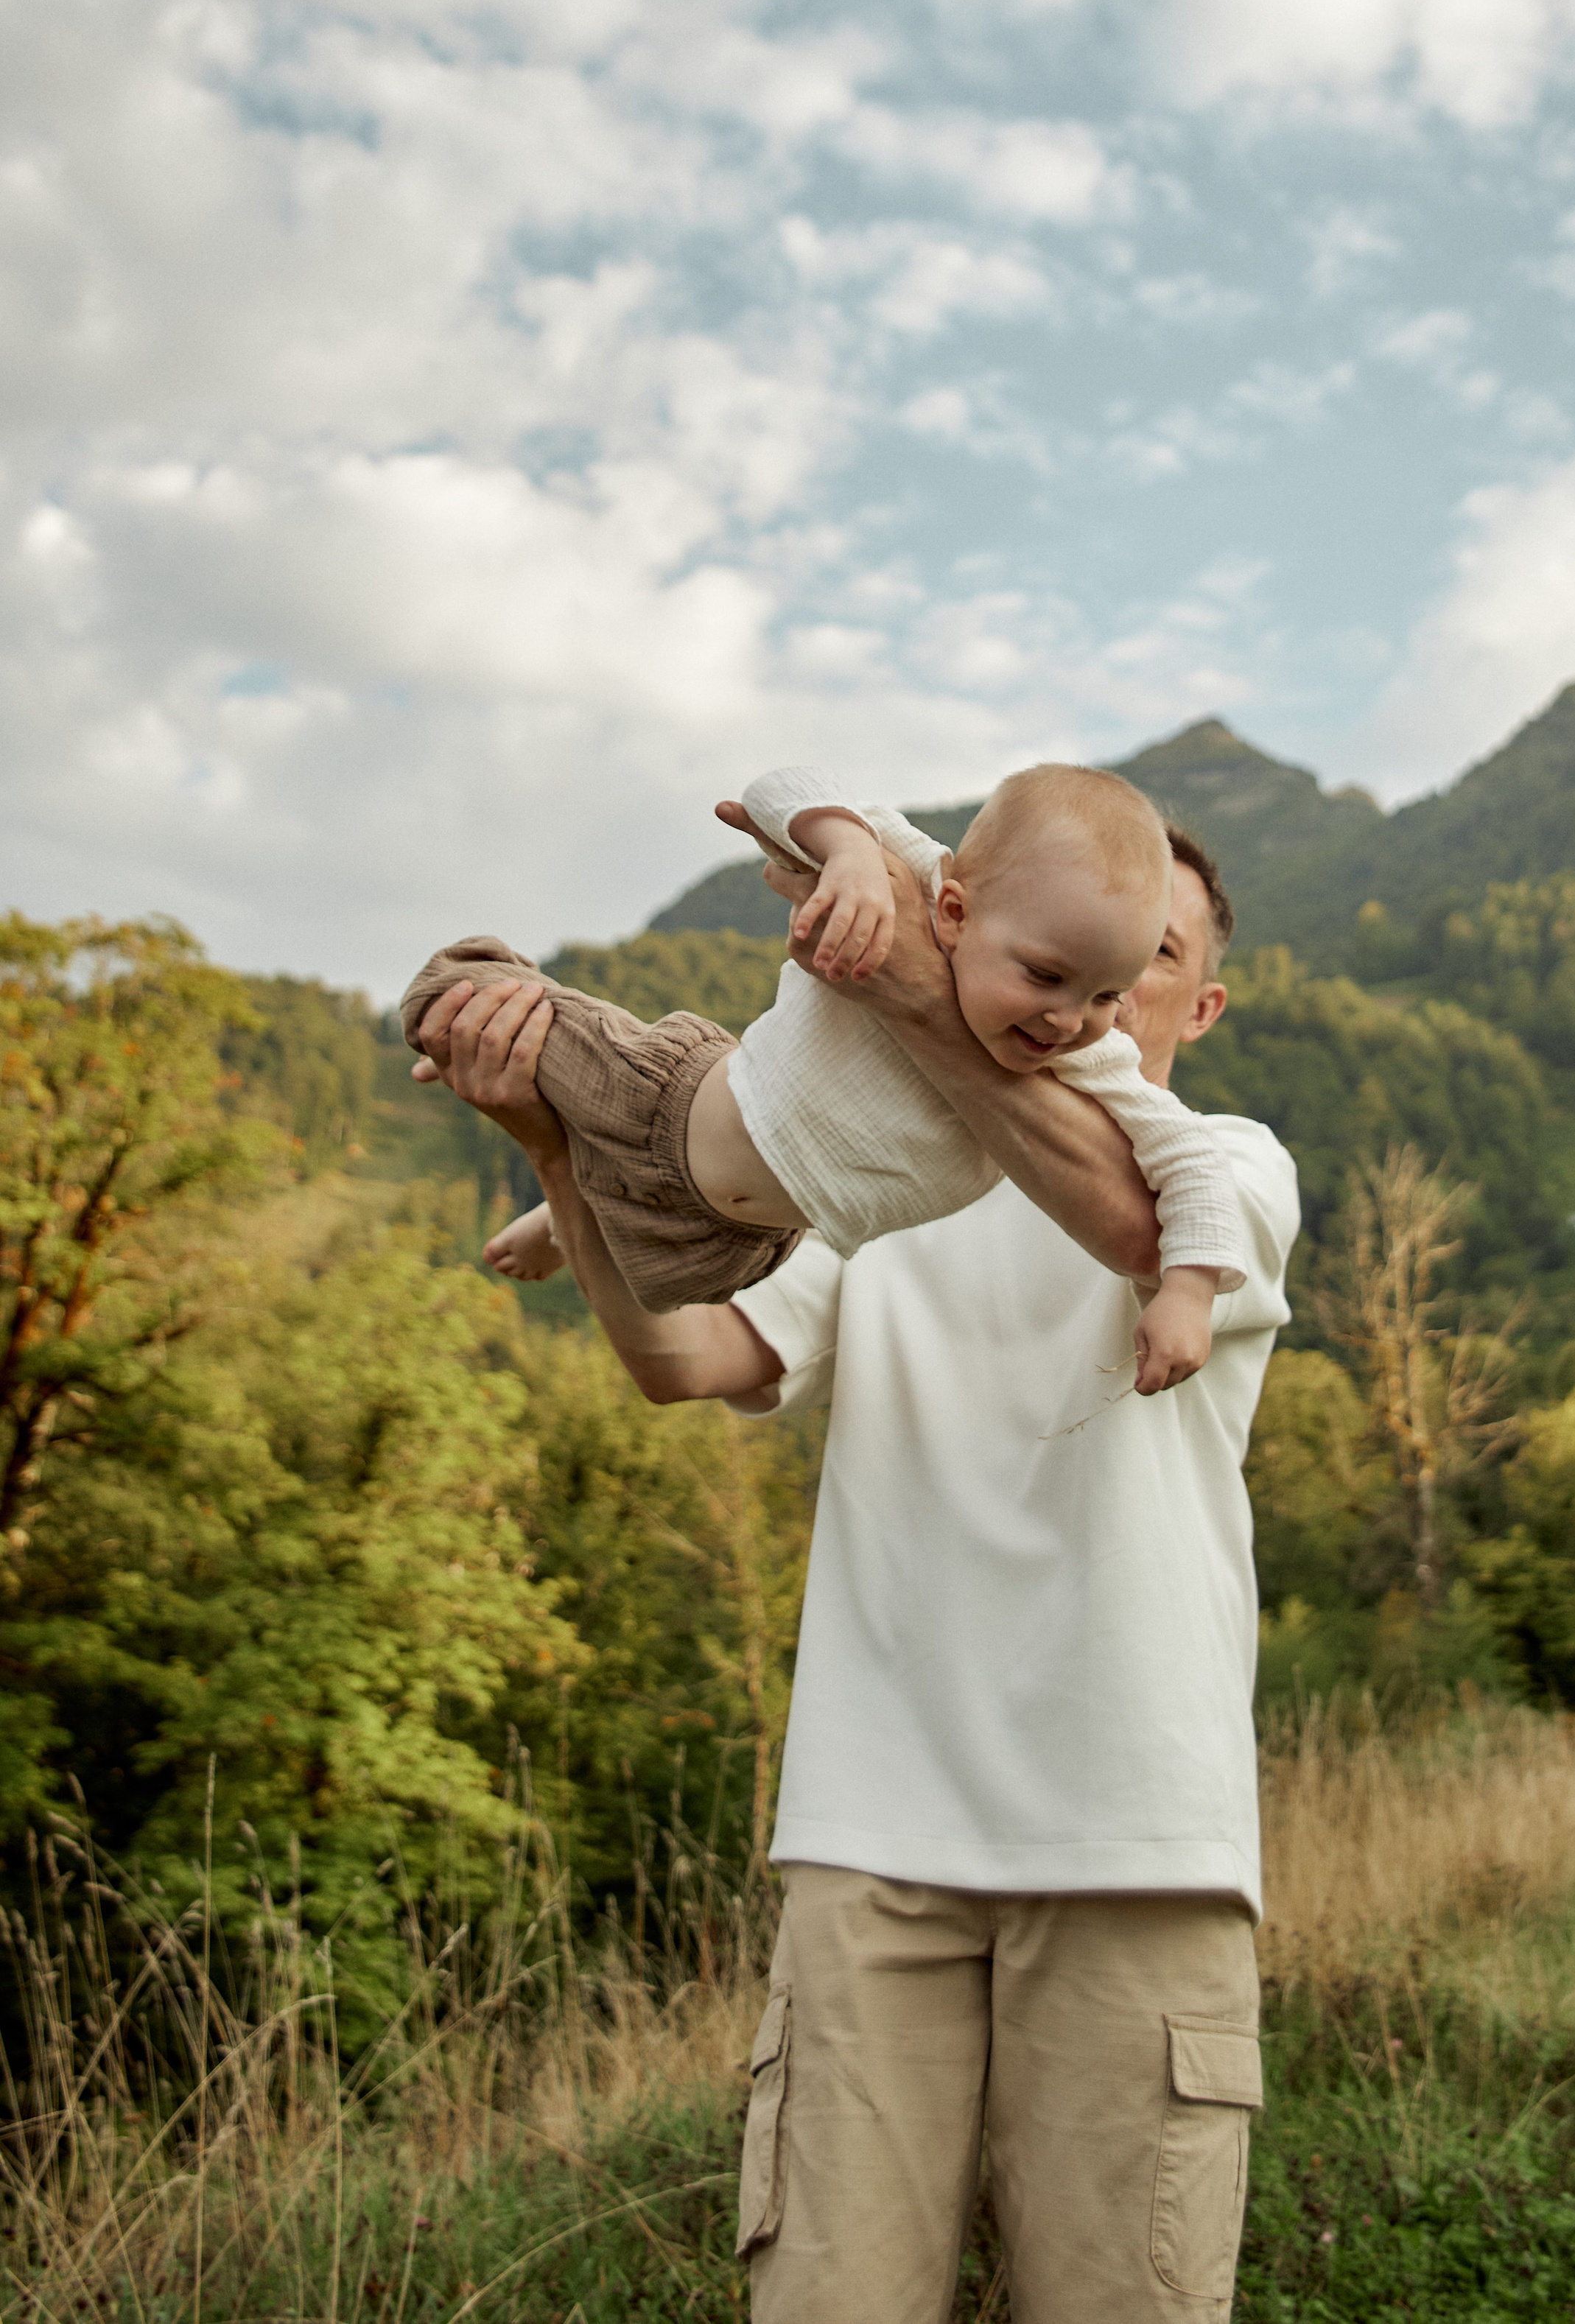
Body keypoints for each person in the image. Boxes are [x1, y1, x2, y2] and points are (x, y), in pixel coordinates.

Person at [409, 821, 1299, 2324]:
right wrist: (562, 1150)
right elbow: (680, 1354)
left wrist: (906, 992)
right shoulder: (875, 1207)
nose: (1084, 985)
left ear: (1195, 1005)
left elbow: (1130, 1223)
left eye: (1146, 955)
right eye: (1057, 944)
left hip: (1132, 1844)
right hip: (873, 1843)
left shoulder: (1232, 1173)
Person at [403, 761, 1248, 1391]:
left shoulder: (1105, 1075)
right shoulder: (916, 890)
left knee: (643, 1273)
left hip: (737, 1243)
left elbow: (1191, 1169)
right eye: (1044, 972)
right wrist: (846, 852)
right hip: (666, 1106)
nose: (1071, 1016)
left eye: (1111, 986)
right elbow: (784, 788)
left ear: (1205, 1006)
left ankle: (570, 1207)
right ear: (957, 913)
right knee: (463, 999)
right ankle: (497, 1024)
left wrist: (1186, 1288)